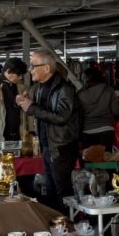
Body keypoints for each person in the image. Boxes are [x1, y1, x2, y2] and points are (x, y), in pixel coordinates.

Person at [17, 51, 77, 214]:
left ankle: (67, 225)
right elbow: (39, 111)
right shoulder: (38, 87)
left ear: (46, 68)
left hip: (60, 147)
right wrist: (24, 102)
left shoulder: (64, 88)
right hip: (47, 145)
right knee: (50, 189)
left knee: (61, 190)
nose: (30, 70)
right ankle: (56, 224)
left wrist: (32, 107)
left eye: (33, 66)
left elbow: (61, 117)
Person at [77, 66, 119, 150]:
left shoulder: (80, 95)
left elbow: (78, 117)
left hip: (87, 131)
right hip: (107, 130)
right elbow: (116, 112)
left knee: (89, 160)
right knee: (106, 159)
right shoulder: (108, 90)